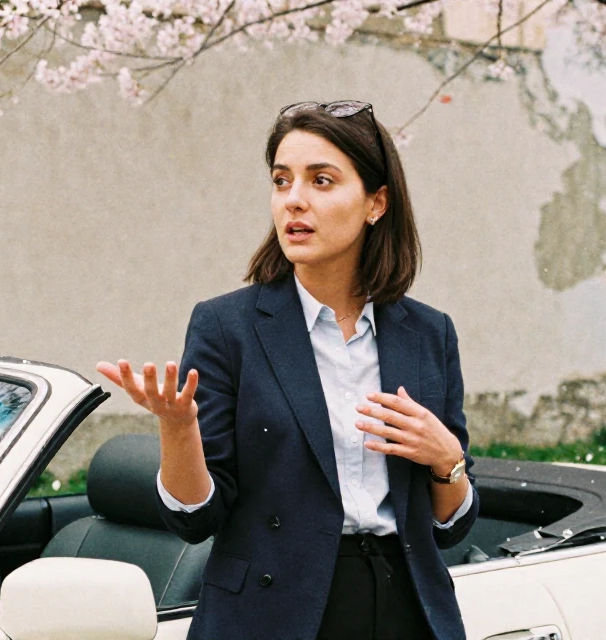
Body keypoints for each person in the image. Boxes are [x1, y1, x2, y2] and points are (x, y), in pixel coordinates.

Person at [97, 100, 478, 640]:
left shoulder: (429, 333)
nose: (294, 200)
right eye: (282, 181)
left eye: (321, 181)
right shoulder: (227, 327)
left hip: (407, 608)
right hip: (273, 615)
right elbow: (195, 520)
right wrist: (178, 429)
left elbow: (452, 527)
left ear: (376, 202)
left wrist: (447, 460)